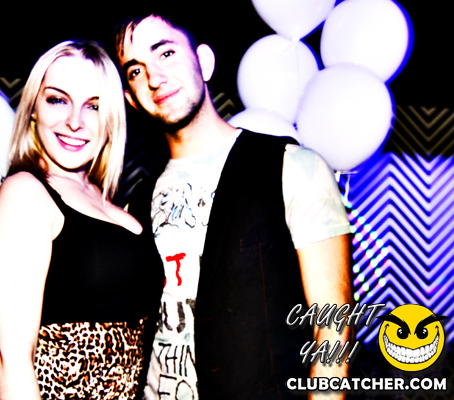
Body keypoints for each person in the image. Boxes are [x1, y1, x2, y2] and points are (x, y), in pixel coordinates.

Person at [115, 13, 354, 400]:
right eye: (135, 71)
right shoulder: (137, 200)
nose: (154, 78)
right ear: (131, 98)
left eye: (166, 53)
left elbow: (332, 328)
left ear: (204, 62)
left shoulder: (292, 166)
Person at [0, 40, 164, 400]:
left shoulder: (109, 200)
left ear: (111, 119)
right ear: (33, 109)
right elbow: (11, 362)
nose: (75, 122)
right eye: (57, 100)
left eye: (93, 106)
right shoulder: (25, 193)